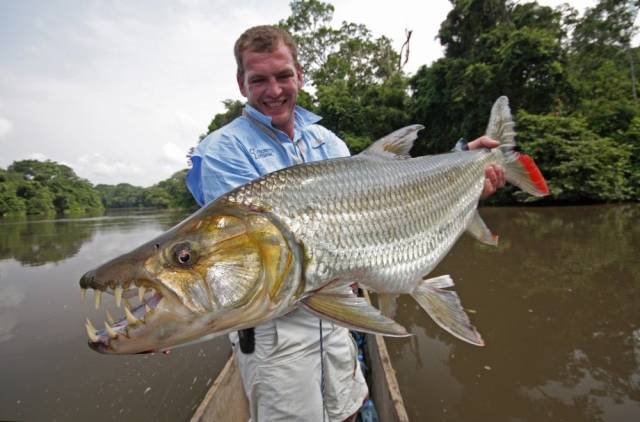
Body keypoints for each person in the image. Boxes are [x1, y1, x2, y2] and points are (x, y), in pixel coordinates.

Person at [186, 25, 504, 422]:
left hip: (338, 316)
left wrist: (463, 167)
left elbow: (385, 197)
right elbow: (247, 261)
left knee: (349, 410)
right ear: (241, 83)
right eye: (259, 80)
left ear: (299, 75)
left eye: (283, 75)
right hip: (277, 334)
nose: (274, 90)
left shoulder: (328, 142)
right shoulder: (222, 151)